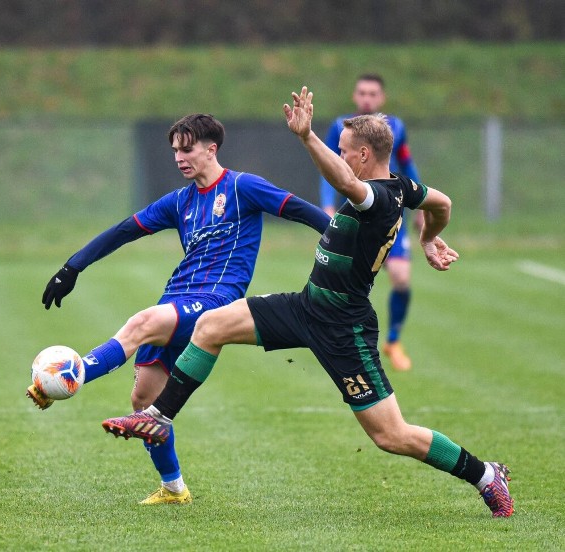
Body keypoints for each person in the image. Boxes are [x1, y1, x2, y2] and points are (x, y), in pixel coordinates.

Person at [102, 88, 514, 518]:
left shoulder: (379, 197)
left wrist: (306, 137)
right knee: (211, 327)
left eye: (344, 150)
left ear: (364, 154)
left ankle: (486, 474)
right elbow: (441, 203)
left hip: (343, 328)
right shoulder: (404, 187)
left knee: (391, 435)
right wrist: (429, 238)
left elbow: (345, 183)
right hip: (306, 307)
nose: (340, 155)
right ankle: (159, 416)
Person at [30, 113, 329, 504]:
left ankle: (73, 374)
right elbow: (123, 231)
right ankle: (174, 489)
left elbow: (301, 211)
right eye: (174, 150)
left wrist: (349, 243)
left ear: (211, 148)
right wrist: (73, 266)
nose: (178, 157)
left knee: (141, 323)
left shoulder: (243, 187)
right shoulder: (180, 201)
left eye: (186, 149)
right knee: (144, 404)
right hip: (176, 299)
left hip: (215, 302)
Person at [320, 74, 422, 371]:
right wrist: (327, 204)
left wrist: (422, 207)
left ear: (382, 99)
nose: (367, 98)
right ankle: (335, 336)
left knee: (401, 278)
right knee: (344, 279)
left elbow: (407, 165)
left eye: (373, 93)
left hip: (389, 210)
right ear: (355, 96)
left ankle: (392, 340)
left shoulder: (395, 128)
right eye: (362, 93)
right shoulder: (341, 127)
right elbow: (329, 166)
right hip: (355, 209)